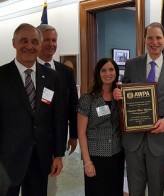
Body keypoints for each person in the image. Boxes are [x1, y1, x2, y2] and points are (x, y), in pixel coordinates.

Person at [113, 22, 164, 196]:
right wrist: (118, 94)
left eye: (158, 37)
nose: (154, 42)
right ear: (145, 40)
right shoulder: (131, 64)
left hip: (159, 137)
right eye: (150, 37)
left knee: (156, 188)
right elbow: (125, 91)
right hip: (132, 139)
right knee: (135, 188)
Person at [0, 23, 65, 196]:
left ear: (40, 44)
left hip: (40, 157)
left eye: (35, 42)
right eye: (24, 41)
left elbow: (58, 118)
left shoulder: (51, 76)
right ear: (14, 43)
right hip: (6, 160)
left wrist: (58, 154)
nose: (29, 46)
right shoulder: (2, 76)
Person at [36, 24, 78, 195]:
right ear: (37, 41)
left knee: (51, 184)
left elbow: (72, 105)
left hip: (57, 137)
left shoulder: (66, 72)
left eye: (54, 40)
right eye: (46, 40)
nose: (51, 44)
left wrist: (73, 135)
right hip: (32, 140)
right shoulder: (29, 69)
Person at [77, 58, 124, 196]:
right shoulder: (88, 99)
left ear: (116, 72)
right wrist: (87, 162)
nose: (107, 73)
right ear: (98, 73)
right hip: (96, 158)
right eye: (103, 70)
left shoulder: (120, 97)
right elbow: (81, 132)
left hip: (116, 155)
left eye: (111, 69)